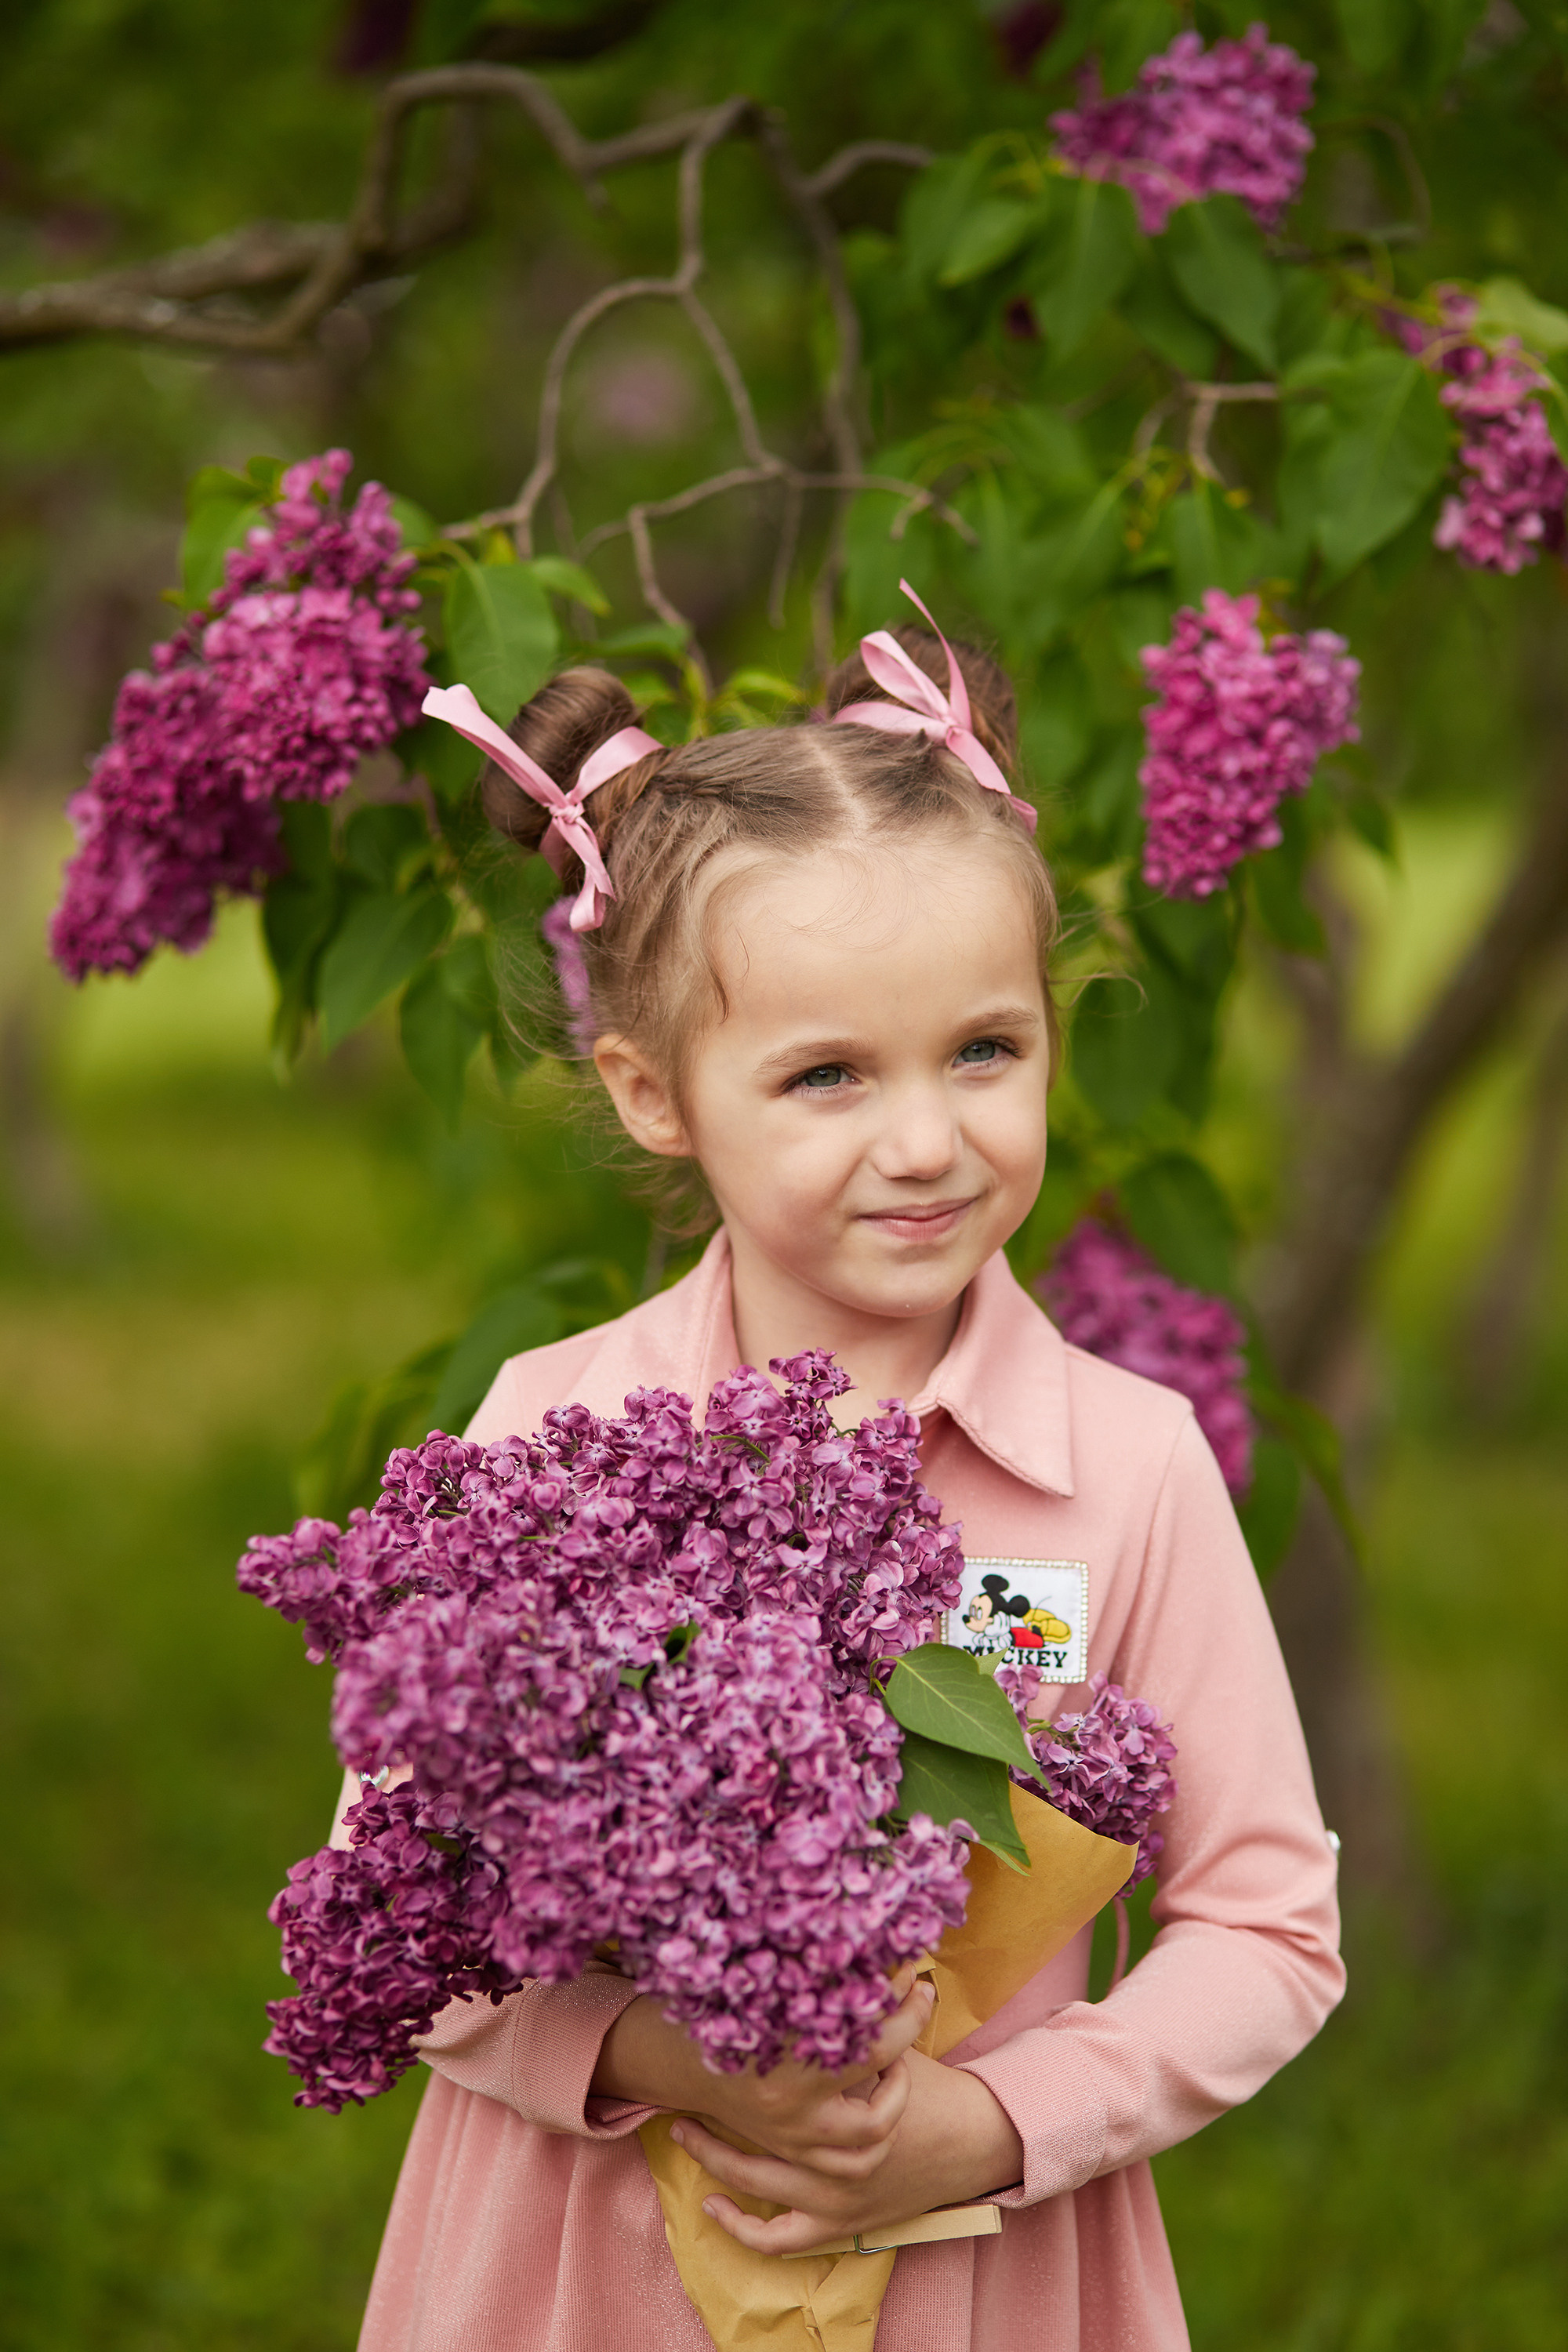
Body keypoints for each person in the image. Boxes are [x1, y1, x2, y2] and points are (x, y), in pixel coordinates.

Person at [336, 591, 1345, 2351]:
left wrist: (996, 2123)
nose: (926, 1141)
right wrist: (671, 2056)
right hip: (588, 2265)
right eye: (823, 1076)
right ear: (657, 1093)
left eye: (984, 1050)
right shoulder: (541, 1431)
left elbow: (1266, 1927)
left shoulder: (1126, 1465)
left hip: (977, 2259)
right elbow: (392, 1905)